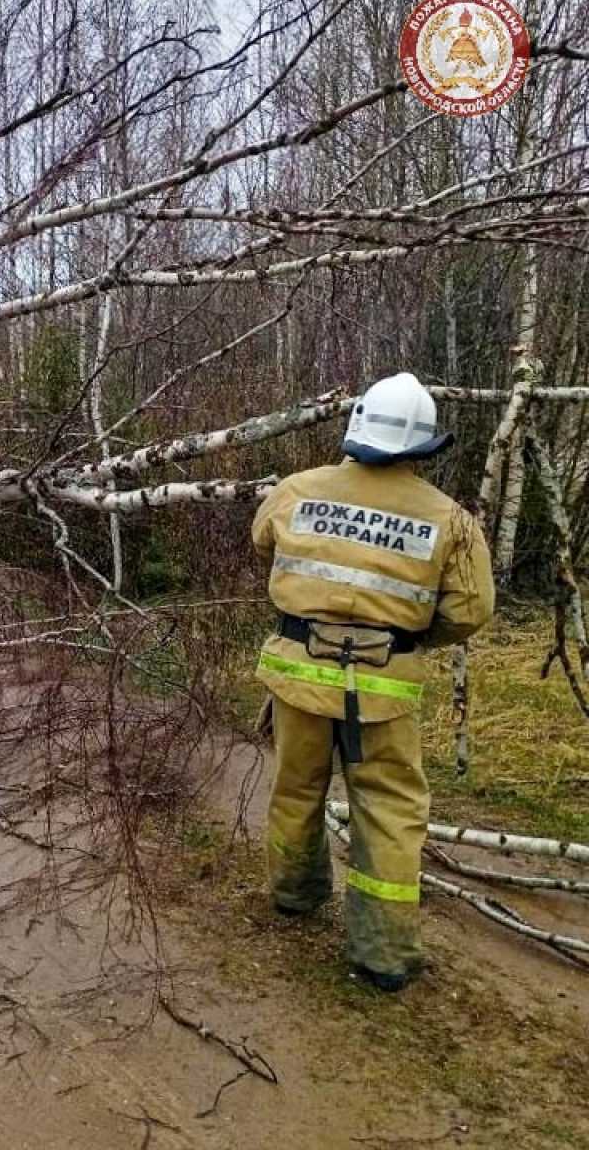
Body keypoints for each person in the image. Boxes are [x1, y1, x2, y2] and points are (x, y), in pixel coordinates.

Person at [250, 372, 494, 992]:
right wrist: (405, 642)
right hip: (383, 690)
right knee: (388, 812)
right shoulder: (452, 520)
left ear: (356, 428)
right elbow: (471, 610)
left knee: (296, 789)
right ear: (423, 446)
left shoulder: (296, 490)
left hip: (298, 679)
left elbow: (263, 542)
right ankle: (383, 953)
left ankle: (295, 895)